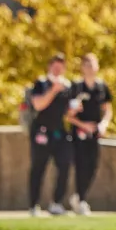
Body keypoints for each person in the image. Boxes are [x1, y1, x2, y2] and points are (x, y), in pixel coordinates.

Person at [28, 53, 74, 217]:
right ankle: (33, 205)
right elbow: (38, 105)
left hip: (59, 132)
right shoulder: (41, 84)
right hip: (41, 131)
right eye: (55, 65)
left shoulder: (68, 87)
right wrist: (53, 90)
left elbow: (69, 112)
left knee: (64, 165)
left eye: (61, 66)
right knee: (38, 168)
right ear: (50, 66)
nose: (58, 69)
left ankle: (57, 202)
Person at [67, 54, 113, 216]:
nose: (89, 67)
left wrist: (103, 125)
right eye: (86, 64)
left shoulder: (102, 87)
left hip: (95, 133)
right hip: (79, 132)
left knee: (93, 165)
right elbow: (68, 114)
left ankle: (79, 197)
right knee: (80, 165)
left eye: (92, 64)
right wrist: (83, 125)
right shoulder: (76, 87)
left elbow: (108, 109)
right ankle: (81, 200)